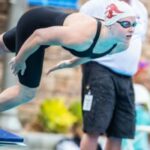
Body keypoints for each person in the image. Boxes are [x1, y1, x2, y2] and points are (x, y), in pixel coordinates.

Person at [0, 1, 136, 112]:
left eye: (134, 24)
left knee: (3, 45)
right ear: (110, 24)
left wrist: (72, 62)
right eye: (125, 24)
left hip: (50, 24)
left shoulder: (121, 44)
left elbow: (95, 52)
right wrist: (20, 59)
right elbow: (38, 36)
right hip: (35, 25)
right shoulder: (82, 36)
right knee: (26, 93)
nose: (131, 29)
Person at [78, 0, 148, 150]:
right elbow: (77, 33)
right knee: (93, 129)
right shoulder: (97, 5)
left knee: (119, 132)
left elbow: (137, 41)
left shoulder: (140, 8)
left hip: (126, 76)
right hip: (101, 69)